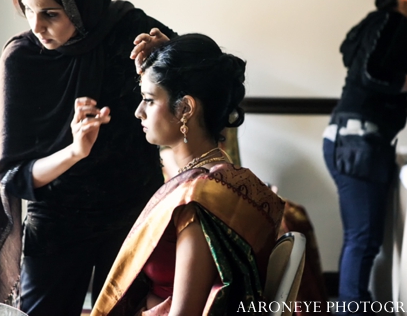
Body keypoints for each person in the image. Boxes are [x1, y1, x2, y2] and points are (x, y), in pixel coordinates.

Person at [0, 0, 176, 316]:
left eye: (51, 13)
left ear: (82, 5)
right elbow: (16, 177)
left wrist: (168, 56)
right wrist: (75, 151)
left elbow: (202, 82)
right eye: (28, 11)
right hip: (55, 225)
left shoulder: (129, 31)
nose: (37, 27)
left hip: (132, 217)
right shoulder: (22, 60)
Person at [91, 33, 285, 316]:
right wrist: (168, 58)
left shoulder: (196, 203)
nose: (138, 112)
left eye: (148, 100)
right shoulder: (221, 176)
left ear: (185, 109)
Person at [322, 0, 407, 314]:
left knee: (364, 239)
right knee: (362, 240)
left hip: (353, 141)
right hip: (357, 142)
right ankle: (352, 309)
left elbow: (362, 61)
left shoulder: (379, 26)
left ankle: (355, 305)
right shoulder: (392, 24)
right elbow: (370, 74)